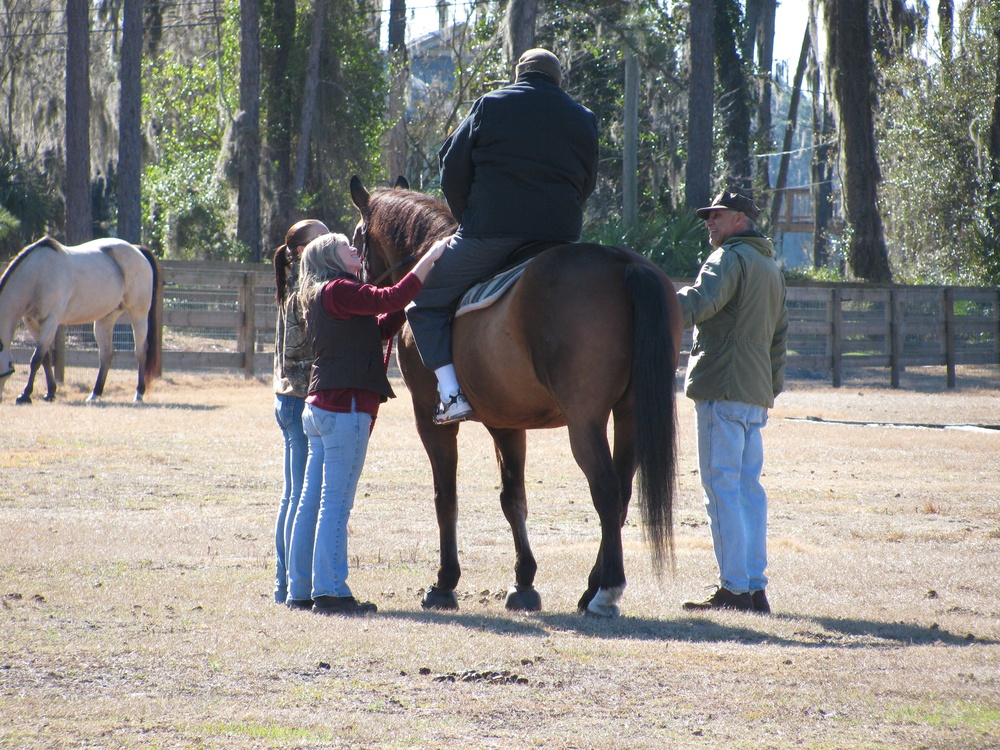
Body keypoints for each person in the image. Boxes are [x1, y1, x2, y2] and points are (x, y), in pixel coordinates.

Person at [406, 47, 600, 424]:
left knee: (424, 304)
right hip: (559, 239)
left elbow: (451, 166)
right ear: (558, 79)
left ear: (518, 73)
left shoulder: (491, 105)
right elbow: (587, 181)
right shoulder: (584, 117)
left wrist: (468, 219)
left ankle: (450, 394)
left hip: (491, 234)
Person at [285, 232, 446, 615]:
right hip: (346, 409)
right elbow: (390, 297)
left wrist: (406, 305)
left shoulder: (322, 295)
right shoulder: (341, 289)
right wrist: (431, 259)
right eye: (346, 246)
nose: (354, 249)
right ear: (331, 258)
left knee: (314, 502)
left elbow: (373, 331)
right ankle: (331, 592)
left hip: (322, 406)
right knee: (335, 505)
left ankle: (301, 589)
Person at [678, 190, 788, 615]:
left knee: (721, 489)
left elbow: (700, 304)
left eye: (717, 216)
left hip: (721, 388)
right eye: (709, 216)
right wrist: (768, 389)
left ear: (741, 218)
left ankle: (734, 590)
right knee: (748, 491)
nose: (710, 222)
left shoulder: (728, 259)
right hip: (753, 394)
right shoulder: (770, 267)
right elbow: (779, 340)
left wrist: (652, 302)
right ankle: (754, 588)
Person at [271, 219, 330, 604]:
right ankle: (291, 583)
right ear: (301, 251)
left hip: (287, 398)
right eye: (320, 240)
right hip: (298, 399)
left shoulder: (295, 287)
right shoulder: (304, 293)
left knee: (293, 495)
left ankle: (284, 582)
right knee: (300, 496)